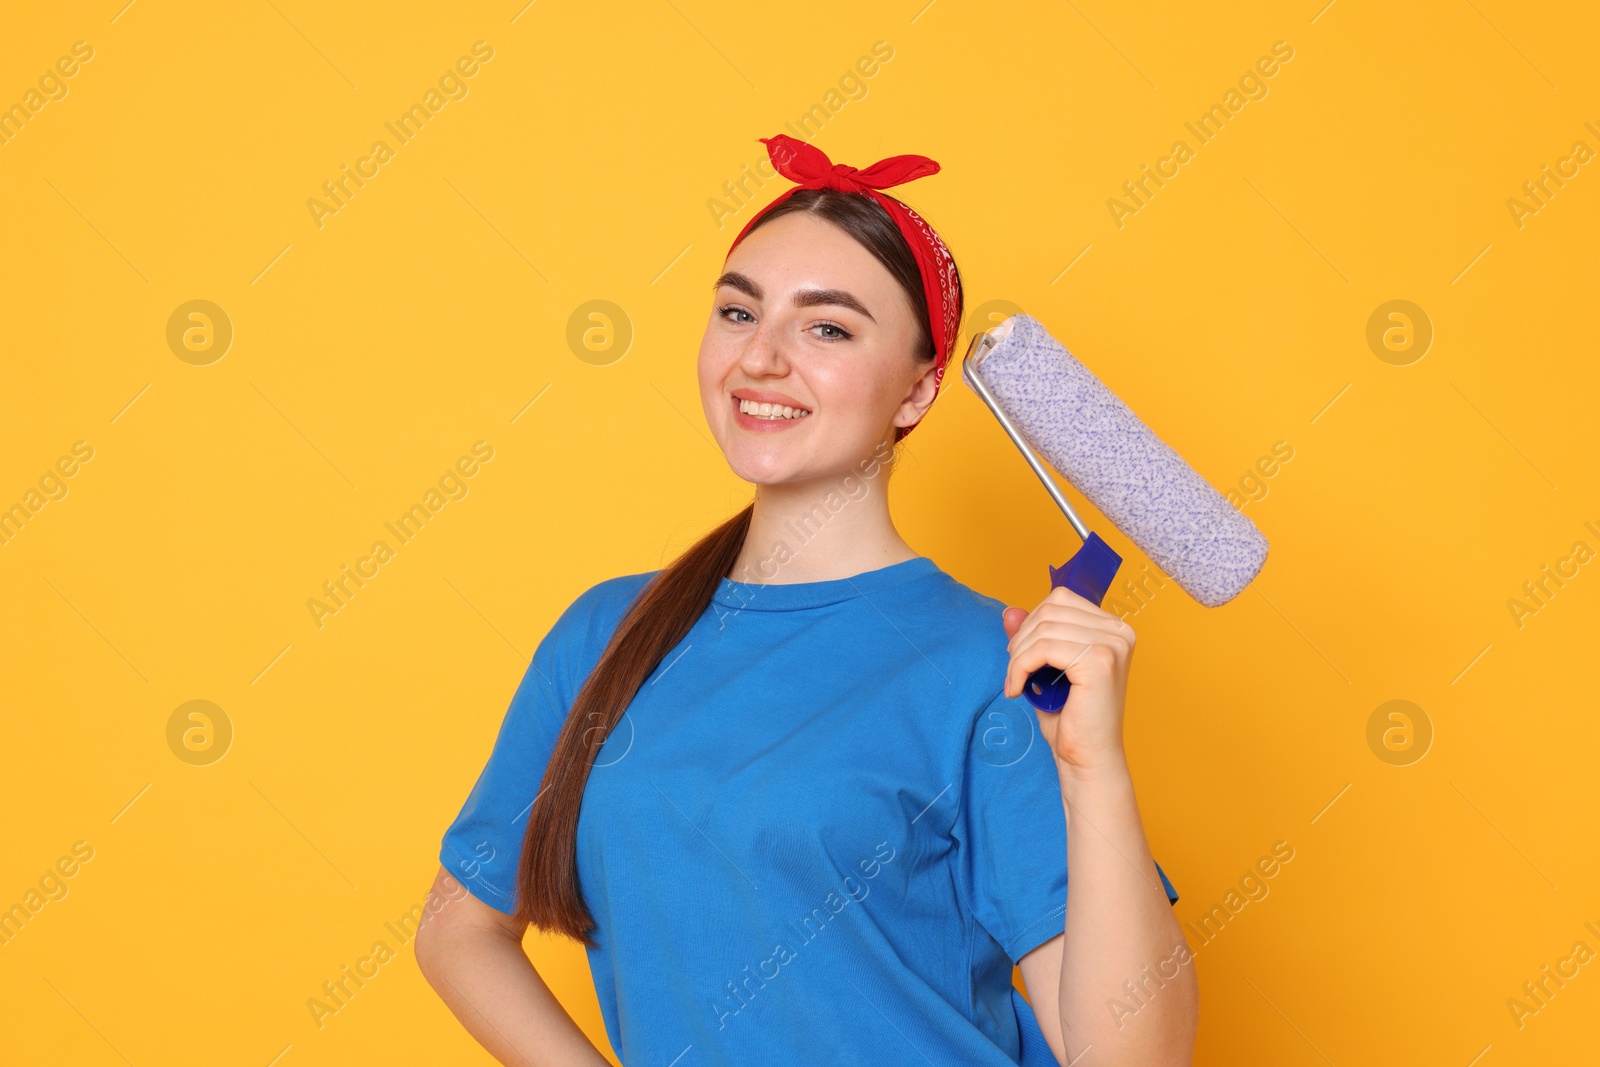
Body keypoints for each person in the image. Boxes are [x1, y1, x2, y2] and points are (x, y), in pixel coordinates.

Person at [414, 134, 1198, 1066]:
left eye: (827, 327)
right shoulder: (605, 634)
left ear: (919, 387)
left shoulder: (996, 666)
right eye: (739, 312)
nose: (762, 357)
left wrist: (1093, 766)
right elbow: (456, 927)